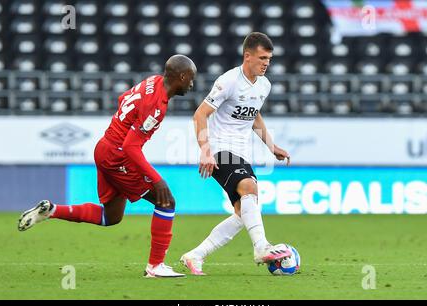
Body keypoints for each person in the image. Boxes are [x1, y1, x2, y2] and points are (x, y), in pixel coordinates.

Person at [18, 54, 197, 278]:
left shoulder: (152, 81)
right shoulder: (157, 106)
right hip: (118, 157)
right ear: (181, 76)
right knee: (167, 201)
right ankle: (155, 266)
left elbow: (124, 98)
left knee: (111, 217)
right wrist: (157, 180)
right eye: (191, 78)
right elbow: (131, 147)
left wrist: (125, 123)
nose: (192, 84)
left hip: (104, 147)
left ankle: (51, 211)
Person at [180, 32, 292, 275]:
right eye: (262, 58)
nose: (266, 63)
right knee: (250, 188)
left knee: (244, 212)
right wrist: (205, 151)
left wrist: (272, 147)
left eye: (269, 59)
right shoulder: (228, 81)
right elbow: (200, 114)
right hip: (220, 148)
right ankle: (261, 247)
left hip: (241, 152)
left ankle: (195, 255)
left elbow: (254, 116)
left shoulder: (264, 85)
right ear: (247, 56)